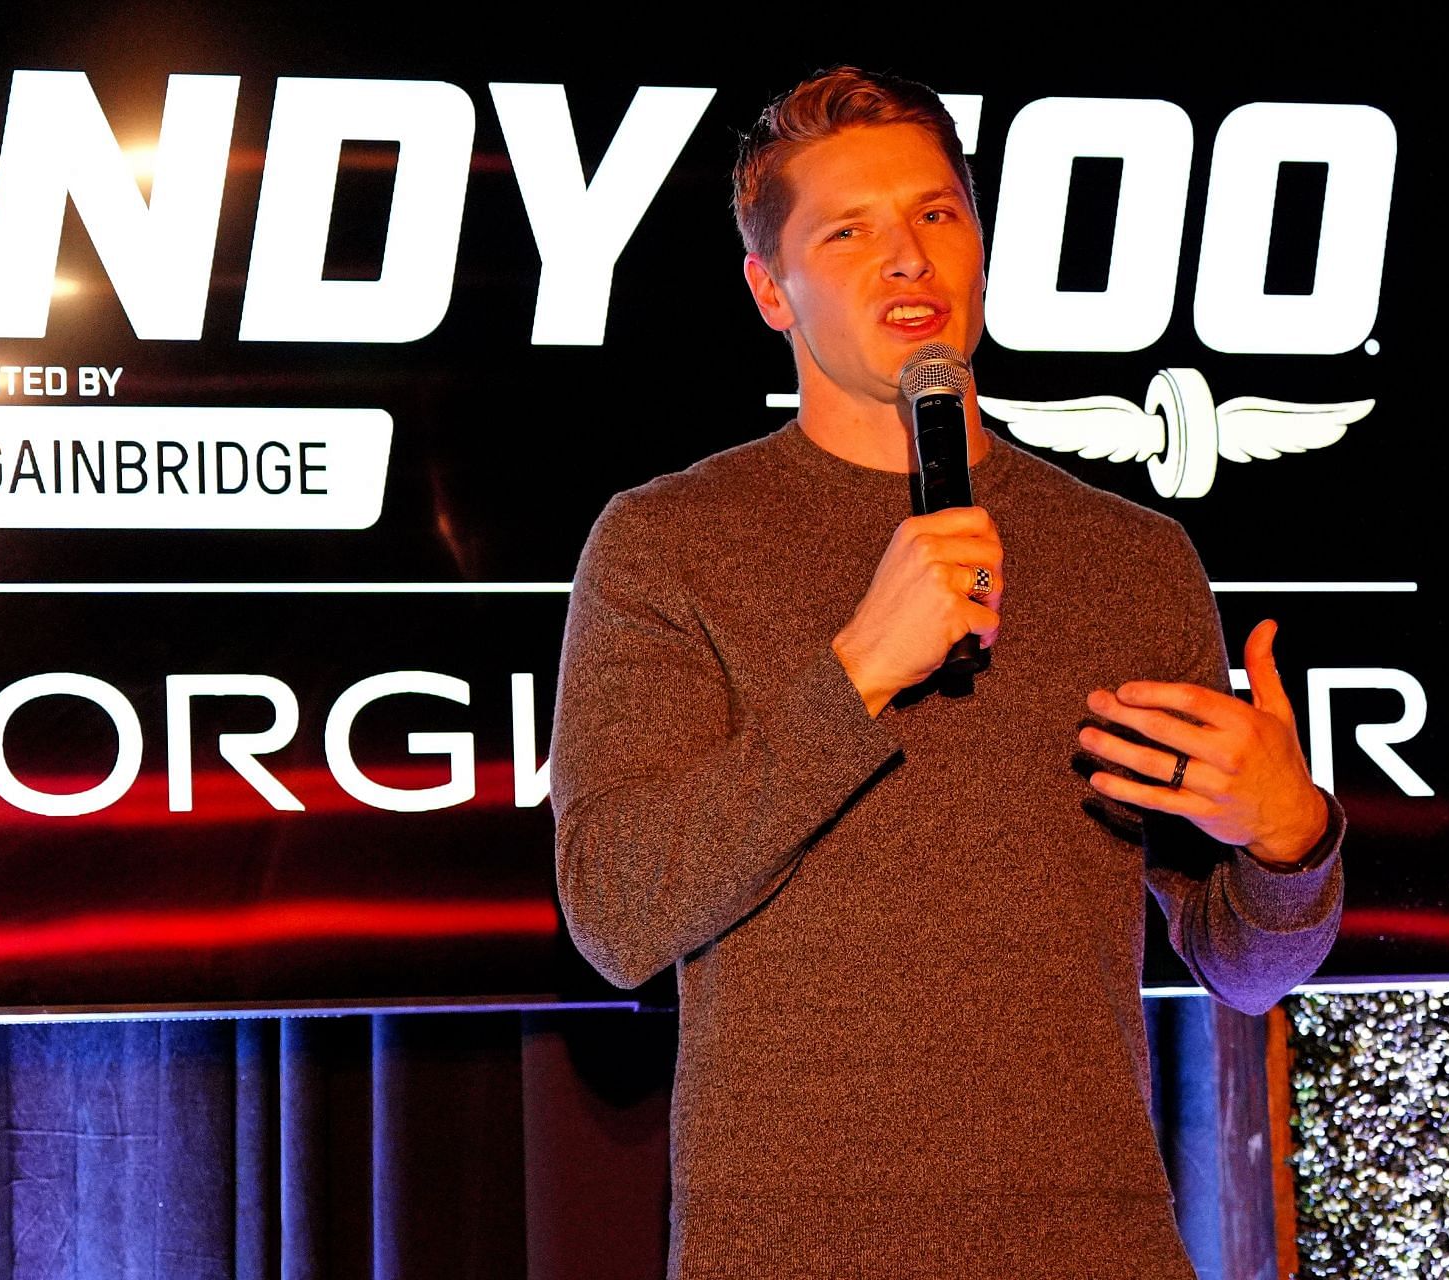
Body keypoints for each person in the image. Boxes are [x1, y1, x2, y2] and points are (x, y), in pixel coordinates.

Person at [549, 66, 1343, 1280]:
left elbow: (1243, 964)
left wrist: (1289, 838)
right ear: (772, 290)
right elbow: (617, 913)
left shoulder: (1130, 556)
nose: (908, 258)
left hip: (1097, 1248)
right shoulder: (668, 543)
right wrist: (859, 668)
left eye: (936, 215)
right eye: (848, 230)